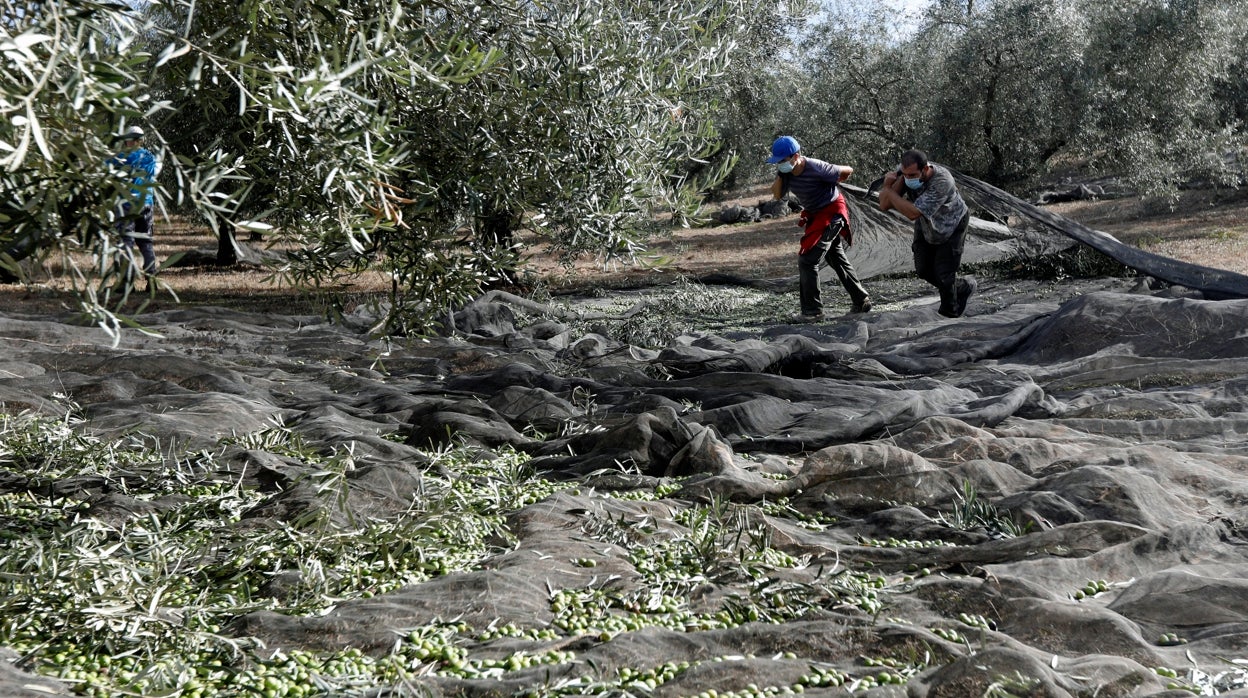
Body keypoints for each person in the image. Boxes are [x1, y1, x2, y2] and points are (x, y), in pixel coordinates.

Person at [767, 135, 871, 322]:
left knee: (808, 259)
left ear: (796, 156)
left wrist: (834, 181)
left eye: (783, 161)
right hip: (816, 214)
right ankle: (861, 299)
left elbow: (847, 170)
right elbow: (776, 194)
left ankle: (813, 312)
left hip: (832, 213)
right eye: (778, 162)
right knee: (835, 257)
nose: (780, 164)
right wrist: (782, 173)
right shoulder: (786, 173)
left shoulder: (817, 167)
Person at [876, 148, 976, 318]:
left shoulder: (942, 181)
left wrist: (890, 192)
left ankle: (949, 316)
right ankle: (961, 287)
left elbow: (912, 213)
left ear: (925, 169)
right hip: (927, 223)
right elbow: (884, 205)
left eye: (913, 175)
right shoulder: (905, 172)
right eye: (905, 175)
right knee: (923, 269)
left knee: (944, 274)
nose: (908, 179)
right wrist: (888, 186)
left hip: (951, 224)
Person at [107, 126, 160, 282]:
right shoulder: (150, 157)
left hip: (127, 205)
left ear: (130, 140)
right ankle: (152, 279)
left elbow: (103, 166)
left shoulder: (122, 157)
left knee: (126, 243)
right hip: (146, 204)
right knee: (146, 242)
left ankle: (127, 281)